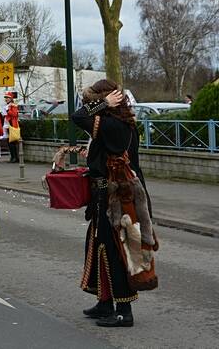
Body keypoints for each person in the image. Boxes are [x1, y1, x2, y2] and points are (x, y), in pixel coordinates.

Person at [71, 79, 153, 327]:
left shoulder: (114, 125)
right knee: (99, 248)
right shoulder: (114, 124)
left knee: (117, 251)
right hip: (105, 196)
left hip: (118, 198)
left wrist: (102, 103)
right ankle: (105, 302)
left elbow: (78, 116)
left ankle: (123, 310)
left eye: (94, 101)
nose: (89, 105)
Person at [3, 92, 20, 163]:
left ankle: (15, 158)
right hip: (7, 125)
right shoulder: (8, 105)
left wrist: (8, 110)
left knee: (12, 142)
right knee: (9, 142)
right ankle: (12, 157)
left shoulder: (13, 106)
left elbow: (14, 114)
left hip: (12, 125)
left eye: (8, 98)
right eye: (5, 98)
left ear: (11, 98)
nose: (6, 99)